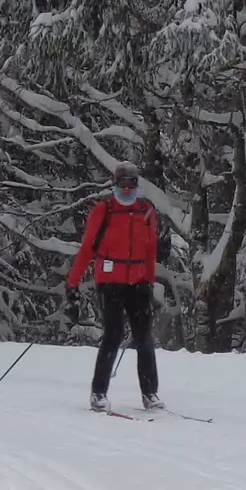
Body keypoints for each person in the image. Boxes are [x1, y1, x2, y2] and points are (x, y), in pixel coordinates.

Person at [66, 161, 161, 412]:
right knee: (113, 334)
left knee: (144, 337)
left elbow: (150, 250)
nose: (127, 190)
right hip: (110, 282)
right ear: (115, 185)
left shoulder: (146, 211)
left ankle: (150, 393)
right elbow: (88, 248)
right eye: (123, 184)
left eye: (132, 184)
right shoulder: (104, 211)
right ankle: (98, 393)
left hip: (138, 282)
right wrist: (73, 282)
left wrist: (149, 280)